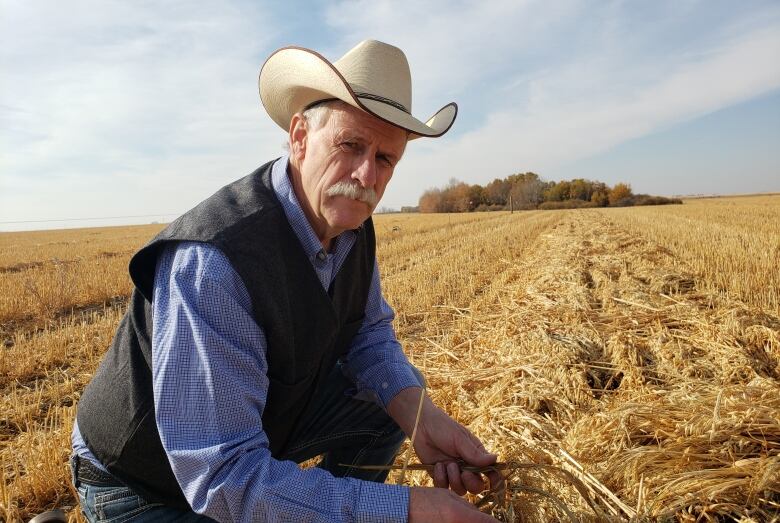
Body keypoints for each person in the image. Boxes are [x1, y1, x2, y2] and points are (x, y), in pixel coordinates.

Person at [71, 39, 500, 522]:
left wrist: (424, 420)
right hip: (144, 483)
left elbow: (368, 335)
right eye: (351, 145)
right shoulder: (213, 262)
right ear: (299, 136)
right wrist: (406, 511)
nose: (365, 175)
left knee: (387, 403)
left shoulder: (351, 225)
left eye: (385, 159)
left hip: (257, 431)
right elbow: (223, 477)